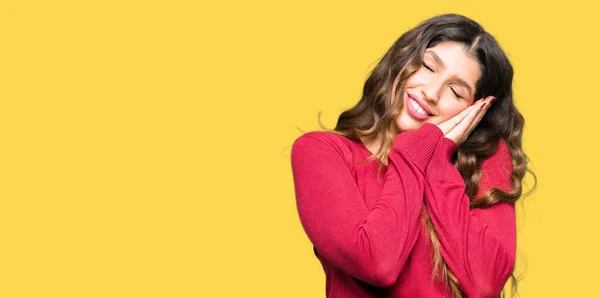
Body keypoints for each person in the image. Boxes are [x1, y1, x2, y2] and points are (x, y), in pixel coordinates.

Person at [290, 14, 535, 298]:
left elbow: (485, 285)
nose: (431, 93)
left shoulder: (487, 161)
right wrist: (413, 152)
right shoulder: (322, 152)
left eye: (456, 92)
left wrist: (437, 160)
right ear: (403, 61)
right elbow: (377, 263)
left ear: (474, 111)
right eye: (428, 67)